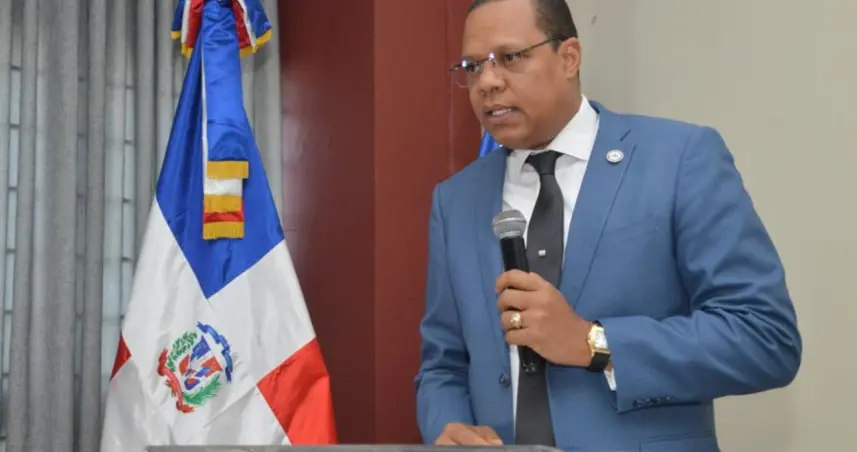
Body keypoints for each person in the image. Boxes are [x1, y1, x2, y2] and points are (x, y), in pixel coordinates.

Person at [414, 0, 802, 450]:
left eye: (511, 57)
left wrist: (593, 342)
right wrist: (448, 425)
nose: (487, 82)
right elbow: (443, 363)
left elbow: (765, 338)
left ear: (569, 57)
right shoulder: (456, 200)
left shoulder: (678, 160)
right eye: (473, 66)